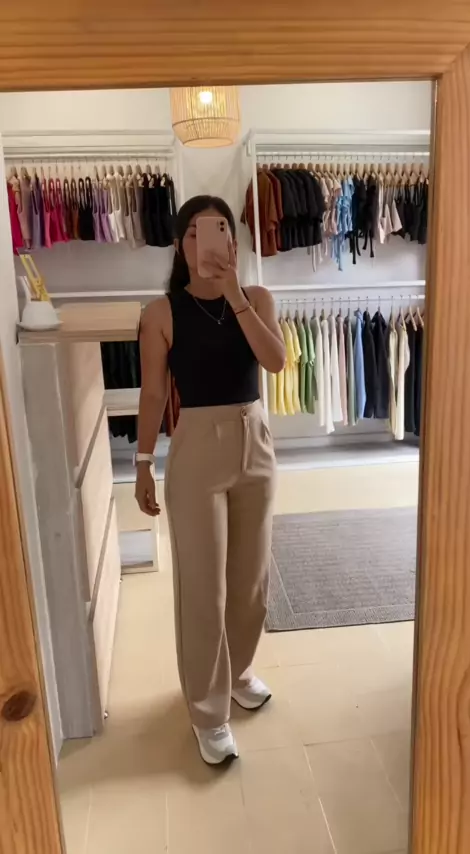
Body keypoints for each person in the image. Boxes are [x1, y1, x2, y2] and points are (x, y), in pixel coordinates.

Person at [135, 195, 285, 765]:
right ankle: (207, 710)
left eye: (221, 230)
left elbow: (274, 361)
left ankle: (238, 672)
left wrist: (235, 296)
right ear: (182, 246)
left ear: (234, 242)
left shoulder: (259, 299)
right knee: (203, 587)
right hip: (197, 449)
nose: (211, 242)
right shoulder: (161, 313)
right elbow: (154, 393)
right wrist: (143, 462)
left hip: (256, 442)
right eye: (198, 232)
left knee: (251, 580)